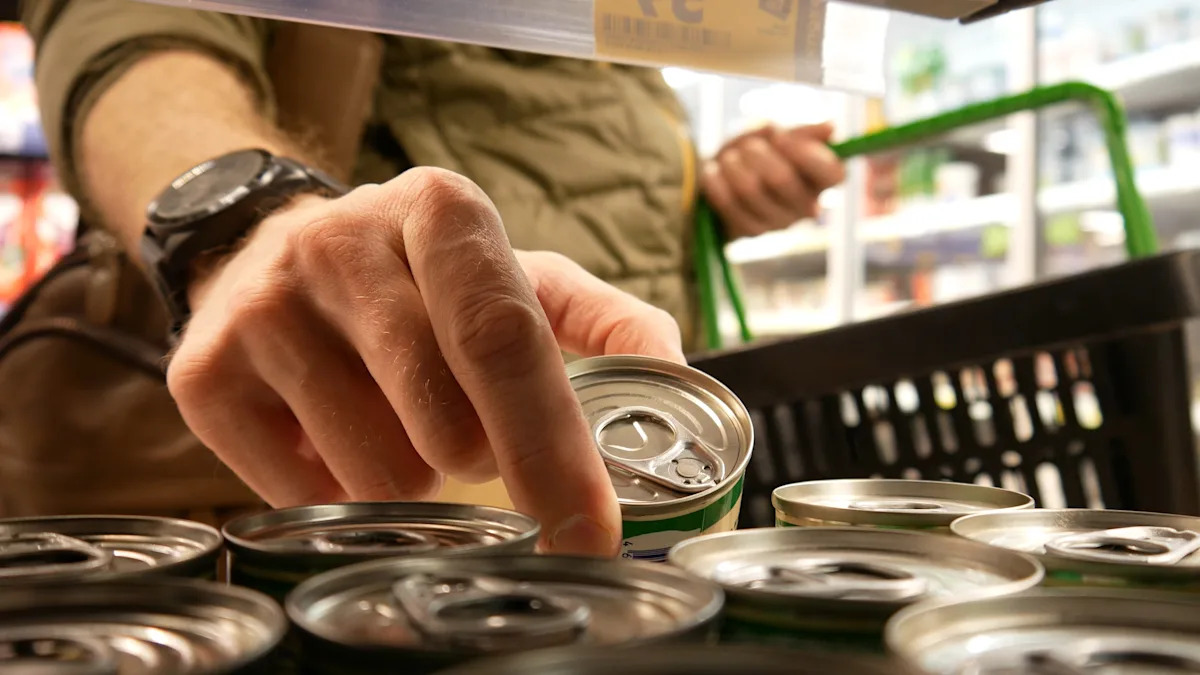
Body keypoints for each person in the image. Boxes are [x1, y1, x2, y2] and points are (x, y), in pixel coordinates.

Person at [21, 1, 844, 555]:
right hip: (369, 468)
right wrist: (241, 218)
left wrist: (711, 193)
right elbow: (122, 29)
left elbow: (576, 151)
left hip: (614, 461)